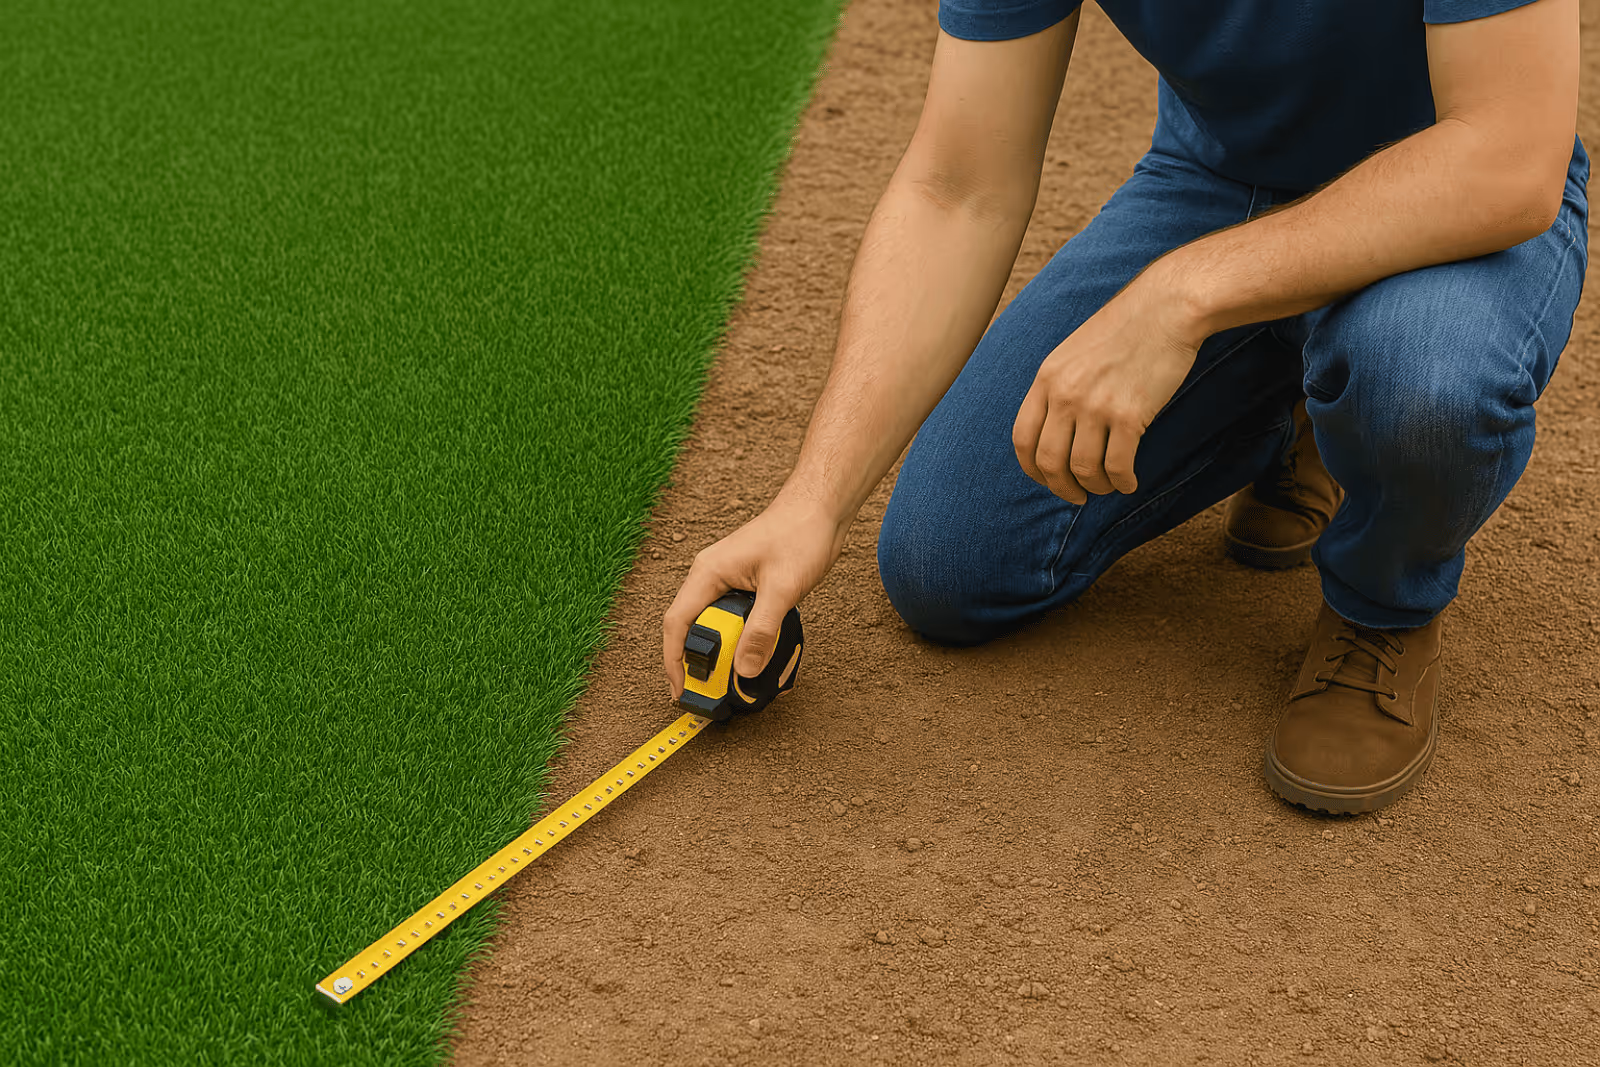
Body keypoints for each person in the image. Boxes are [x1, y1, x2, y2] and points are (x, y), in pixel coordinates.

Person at [663, 0, 1587, 813]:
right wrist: (810, 501)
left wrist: (1180, 297)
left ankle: (1382, 605)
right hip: (1219, 187)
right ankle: (1298, 405)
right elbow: (959, 189)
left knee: (1422, 380)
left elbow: (1505, 157)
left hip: (1446, 202)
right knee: (950, 559)